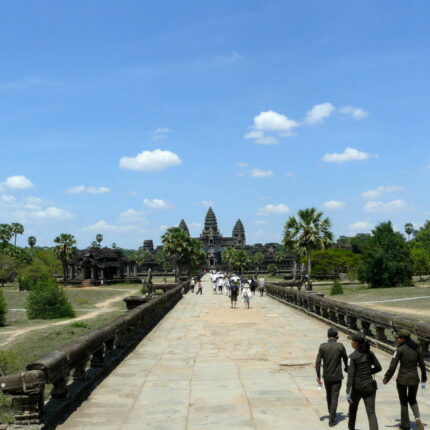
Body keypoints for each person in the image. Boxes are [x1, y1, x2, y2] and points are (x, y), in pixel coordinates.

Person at [383, 329, 427, 430]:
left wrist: (387, 377)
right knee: (413, 400)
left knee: (403, 402)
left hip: (402, 380)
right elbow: (422, 364)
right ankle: (418, 419)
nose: (396, 339)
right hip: (414, 379)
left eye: (397, 338)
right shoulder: (417, 348)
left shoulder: (399, 349)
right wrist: (424, 376)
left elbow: (392, 366)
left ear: (403, 339)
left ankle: (405, 425)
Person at [346, 333, 381, 430]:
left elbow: (351, 375)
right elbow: (379, 367)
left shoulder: (352, 356)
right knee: (371, 412)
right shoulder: (370, 354)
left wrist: (348, 391)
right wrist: (369, 372)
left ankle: (351, 428)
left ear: (356, 343)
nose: (351, 343)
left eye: (352, 341)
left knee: (353, 410)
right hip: (370, 386)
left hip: (357, 388)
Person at [315, 327, 349, 427]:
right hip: (337, 376)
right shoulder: (340, 346)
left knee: (328, 395)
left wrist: (318, 376)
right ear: (336, 336)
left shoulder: (322, 346)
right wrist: (347, 369)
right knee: (334, 397)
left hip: (326, 376)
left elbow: (317, 362)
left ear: (328, 336)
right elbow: (346, 359)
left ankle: (331, 414)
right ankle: (332, 419)